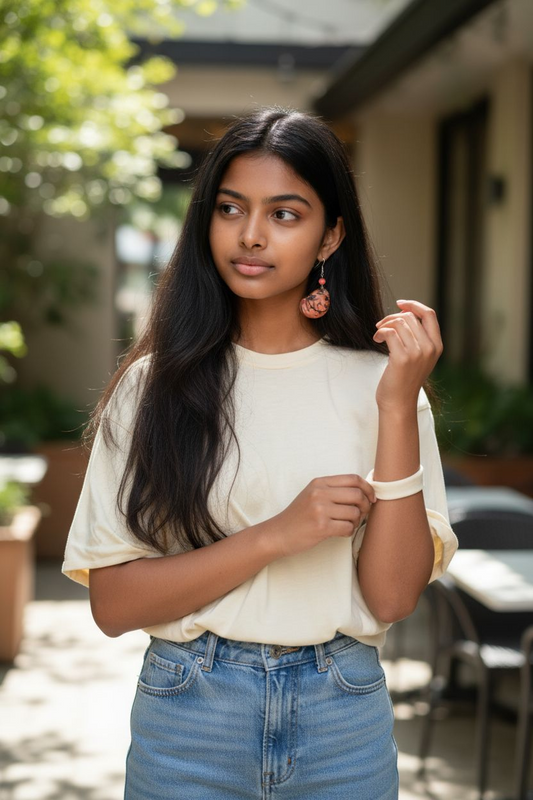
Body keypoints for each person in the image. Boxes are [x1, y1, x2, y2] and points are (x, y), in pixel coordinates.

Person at [62, 106, 458, 800]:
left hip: (343, 712)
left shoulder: (386, 388)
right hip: (189, 711)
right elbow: (114, 603)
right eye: (230, 208)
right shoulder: (153, 389)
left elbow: (392, 597)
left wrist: (396, 406)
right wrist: (278, 535)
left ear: (330, 234)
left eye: (284, 214)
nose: (250, 235)